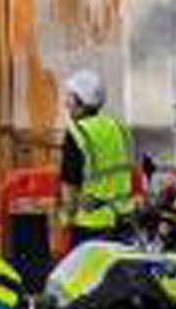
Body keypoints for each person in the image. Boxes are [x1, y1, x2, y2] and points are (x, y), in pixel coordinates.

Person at [56, 68, 144, 247]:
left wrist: (65, 219)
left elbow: (70, 186)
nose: (66, 103)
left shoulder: (77, 133)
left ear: (80, 100)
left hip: (91, 226)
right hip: (124, 221)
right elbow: (133, 171)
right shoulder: (119, 127)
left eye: (70, 97)